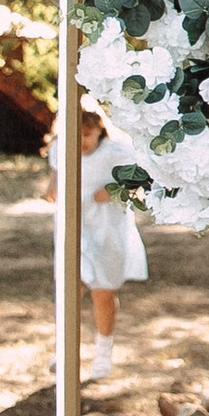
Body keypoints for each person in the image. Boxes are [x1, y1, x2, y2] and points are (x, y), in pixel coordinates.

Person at [52, 108, 145, 383]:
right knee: (70, 288)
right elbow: (56, 174)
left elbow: (139, 177)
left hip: (107, 230)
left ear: (100, 131)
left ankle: (103, 353)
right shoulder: (61, 148)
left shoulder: (116, 152)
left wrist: (116, 189)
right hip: (74, 228)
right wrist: (52, 188)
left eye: (87, 135)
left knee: (102, 292)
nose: (81, 142)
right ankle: (64, 349)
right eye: (76, 135)